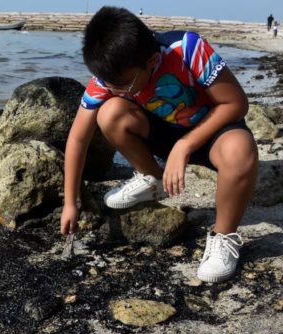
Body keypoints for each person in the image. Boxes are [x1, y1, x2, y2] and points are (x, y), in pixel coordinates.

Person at [61, 6, 258, 283]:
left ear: (152, 60)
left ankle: (223, 237)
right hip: (164, 134)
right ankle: (153, 180)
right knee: (110, 113)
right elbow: (78, 138)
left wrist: (184, 146)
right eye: (109, 83)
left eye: (124, 85)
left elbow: (236, 103)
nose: (115, 90)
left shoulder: (187, 49)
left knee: (241, 150)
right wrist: (71, 202)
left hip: (215, 131)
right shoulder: (112, 76)